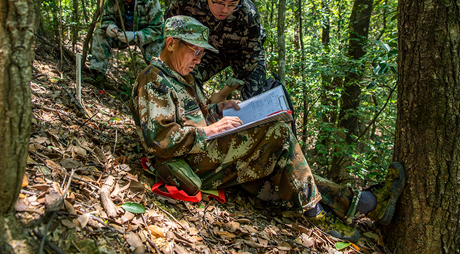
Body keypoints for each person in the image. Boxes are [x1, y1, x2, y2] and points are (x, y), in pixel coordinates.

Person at [129, 15, 405, 242]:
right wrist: (212, 130)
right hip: (190, 162)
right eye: (195, 51)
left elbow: (196, 116)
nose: (199, 59)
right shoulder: (155, 80)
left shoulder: (182, 77)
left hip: (206, 153)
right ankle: (318, 215)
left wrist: (219, 109)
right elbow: (160, 140)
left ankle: (366, 203)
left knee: (285, 164)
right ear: (170, 43)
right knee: (279, 134)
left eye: (203, 52)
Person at [164, 0, 267, 103]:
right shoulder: (187, 1)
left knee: (255, 99)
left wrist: (222, 94)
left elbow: (249, 62)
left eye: (232, 5)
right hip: (209, 50)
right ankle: (198, 116)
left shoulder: (249, 15)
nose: (225, 10)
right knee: (185, 79)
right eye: (219, 2)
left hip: (242, 55)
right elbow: (169, 30)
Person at [88, 0, 164, 87]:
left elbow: (157, 29)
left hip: (145, 38)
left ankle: (159, 85)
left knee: (157, 57)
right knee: (99, 34)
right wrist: (109, 26)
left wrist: (135, 35)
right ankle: (98, 76)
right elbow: (106, 18)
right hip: (120, 36)